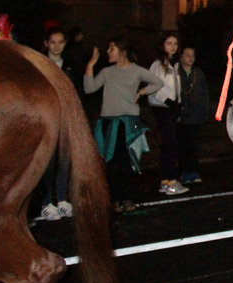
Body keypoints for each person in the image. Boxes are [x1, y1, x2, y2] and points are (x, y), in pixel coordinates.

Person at [85, 36, 163, 213]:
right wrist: (90, 65)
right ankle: (115, 199)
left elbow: (158, 82)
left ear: (122, 52)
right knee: (111, 162)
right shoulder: (106, 71)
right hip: (109, 122)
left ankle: (126, 197)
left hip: (127, 122)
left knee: (126, 161)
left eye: (111, 48)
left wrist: (141, 92)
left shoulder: (136, 71)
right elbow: (89, 88)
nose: (107, 51)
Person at [36, 27, 77, 220]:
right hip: (46, 118)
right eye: (53, 42)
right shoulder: (39, 63)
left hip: (66, 118)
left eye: (60, 42)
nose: (56, 46)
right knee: (48, 162)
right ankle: (46, 202)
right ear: (46, 43)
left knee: (64, 160)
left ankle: (62, 199)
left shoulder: (70, 64)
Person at [148, 32, 189, 195]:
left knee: (169, 144)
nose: (173, 46)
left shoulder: (175, 64)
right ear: (162, 45)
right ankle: (170, 181)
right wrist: (169, 102)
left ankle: (166, 181)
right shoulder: (158, 65)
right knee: (170, 143)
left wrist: (177, 104)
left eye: (175, 43)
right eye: (169, 43)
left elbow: (175, 87)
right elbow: (155, 86)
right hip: (162, 108)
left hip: (171, 108)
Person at [177, 46, 209, 185]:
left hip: (195, 116)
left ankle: (194, 171)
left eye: (192, 56)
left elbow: (204, 95)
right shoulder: (175, 72)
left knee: (193, 145)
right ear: (181, 56)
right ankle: (184, 172)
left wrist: (204, 113)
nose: (190, 58)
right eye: (187, 55)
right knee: (182, 145)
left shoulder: (198, 73)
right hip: (180, 116)